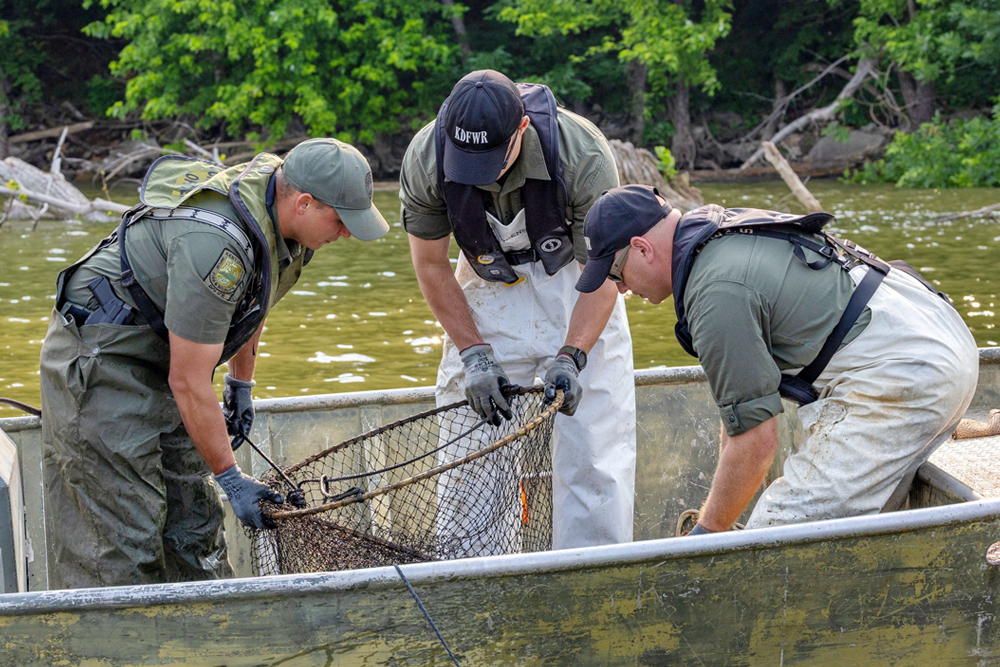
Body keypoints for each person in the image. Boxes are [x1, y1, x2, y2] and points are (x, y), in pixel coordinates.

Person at [39, 138, 389, 588]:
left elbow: (251, 305)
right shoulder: (216, 248)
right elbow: (187, 381)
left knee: (195, 526)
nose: (345, 234)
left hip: (166, 352)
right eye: (341, 221)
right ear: (304, 203)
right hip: (102, 357)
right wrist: (232, 477)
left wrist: (240, 384)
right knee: (125, 539)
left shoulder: (284, 221)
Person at [577, 184, 979, 535]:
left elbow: (756, 441)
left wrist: (706, 535)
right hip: (933, 328)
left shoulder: (714, 293)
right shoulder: (711, 230)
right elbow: (742, 414)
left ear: (641, 248)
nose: (622, 288)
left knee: (774, 540)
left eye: (616, 272)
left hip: (908, 370)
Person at [399, 69, 636, 553]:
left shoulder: (582, 152)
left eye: (490, 160)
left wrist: (572, 355)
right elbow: (429, 263)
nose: (478, 173)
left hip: (577, 283)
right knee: (471, 451)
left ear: (522, 130)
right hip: (483, 290)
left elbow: (606, 269)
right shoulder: (424, 157)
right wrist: (474, 354)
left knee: (593, 453)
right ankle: (478, 589)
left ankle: (589, 587)